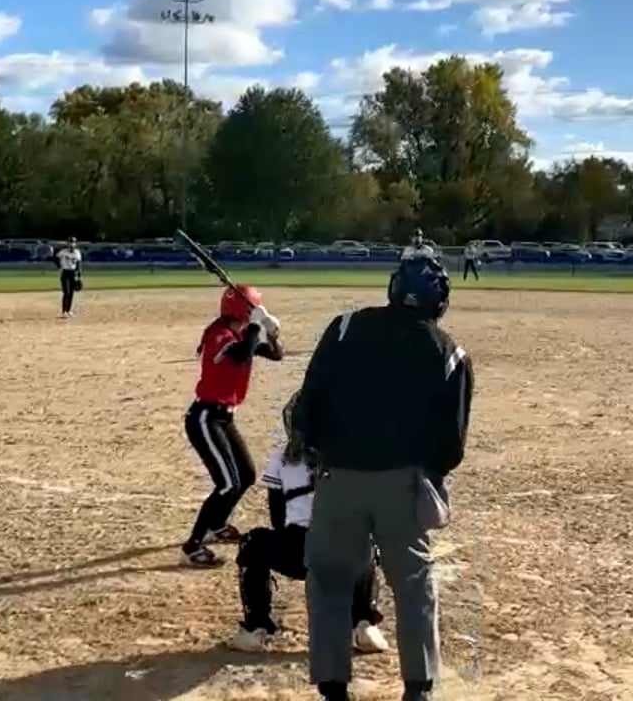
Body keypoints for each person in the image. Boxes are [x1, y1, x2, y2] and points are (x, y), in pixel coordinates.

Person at [292, 253, 475, 701]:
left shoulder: (345, 328)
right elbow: (451, 446)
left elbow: (306, 403)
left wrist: (319, 450)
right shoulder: (449, 351)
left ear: (393, 289)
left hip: (338, 477)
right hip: (403, 482)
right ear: (440, 301)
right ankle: (417, 688)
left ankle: (333, 689)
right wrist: (426, 472)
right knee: (413, 584)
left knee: (330, 581)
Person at [228, 392, 389, 657]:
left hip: (301, 552)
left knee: (252, 543)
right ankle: (364, 623)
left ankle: (255, 628)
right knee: (365, 538)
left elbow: (278, 519)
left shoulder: (281, 458)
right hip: (344, 553)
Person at [183, 284, 284, 568]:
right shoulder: (219, 335)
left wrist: (272, 333)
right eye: (253, 308)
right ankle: (192, 547)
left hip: (224, 418)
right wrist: (255, 326)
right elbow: (241, 353)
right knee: (228, 484)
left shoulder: (239, 334)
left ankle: (217, 525)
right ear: (244, 311)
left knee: (246, 475)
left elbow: (276, 354)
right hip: (205, 418)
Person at [55, 237, 82, 318]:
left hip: (73, 273)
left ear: (75, 243)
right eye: (70, 242)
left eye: (73, 242)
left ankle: (69, 310)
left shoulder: (77, 252)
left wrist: (79, 276)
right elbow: (56, 258)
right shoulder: (63, 252)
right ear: (67, 243)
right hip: (65, 272)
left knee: (71, 293)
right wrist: (59, 267)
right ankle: (64, 312)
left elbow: (78, 264)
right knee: (66, 292)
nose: (71, 244)